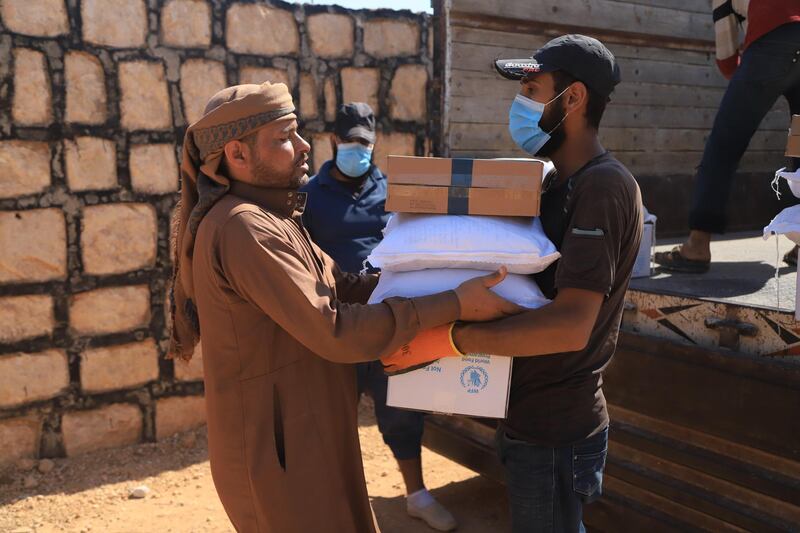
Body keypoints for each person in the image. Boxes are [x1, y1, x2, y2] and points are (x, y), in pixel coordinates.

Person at [167, 81, 523, 533]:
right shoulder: (244, 227)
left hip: (304, 429)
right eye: (283, 138)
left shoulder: (273, 216)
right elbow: (335, 329)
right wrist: (453, 302)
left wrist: (440, 282)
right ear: (236, 155)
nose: (302, 148)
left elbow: (345, 286)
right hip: (276, 447)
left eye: (298, 133)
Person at [393, 35, 643, 532]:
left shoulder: (603, 186)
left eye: (531, 88)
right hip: (528, 418)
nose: (519, 102)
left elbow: (571, 326)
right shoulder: (553, 181)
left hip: (557, 431)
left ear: (573, 99)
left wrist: (452, 340)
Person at [300, 102, 457, 532]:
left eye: (365, 143)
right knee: (334, 418)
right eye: (350, 141)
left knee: (402, 414)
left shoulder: (392, 190)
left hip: (390, 322)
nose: (358, 149)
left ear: (375, 143)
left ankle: (418, 496)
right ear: (333, 141)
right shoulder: (311, 195)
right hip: (337, 325)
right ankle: (334, 503)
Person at [654, 1, 800, 272]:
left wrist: (754, 69)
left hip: (770, 47)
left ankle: (697, 245)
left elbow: (727, 61)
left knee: (725, 143)